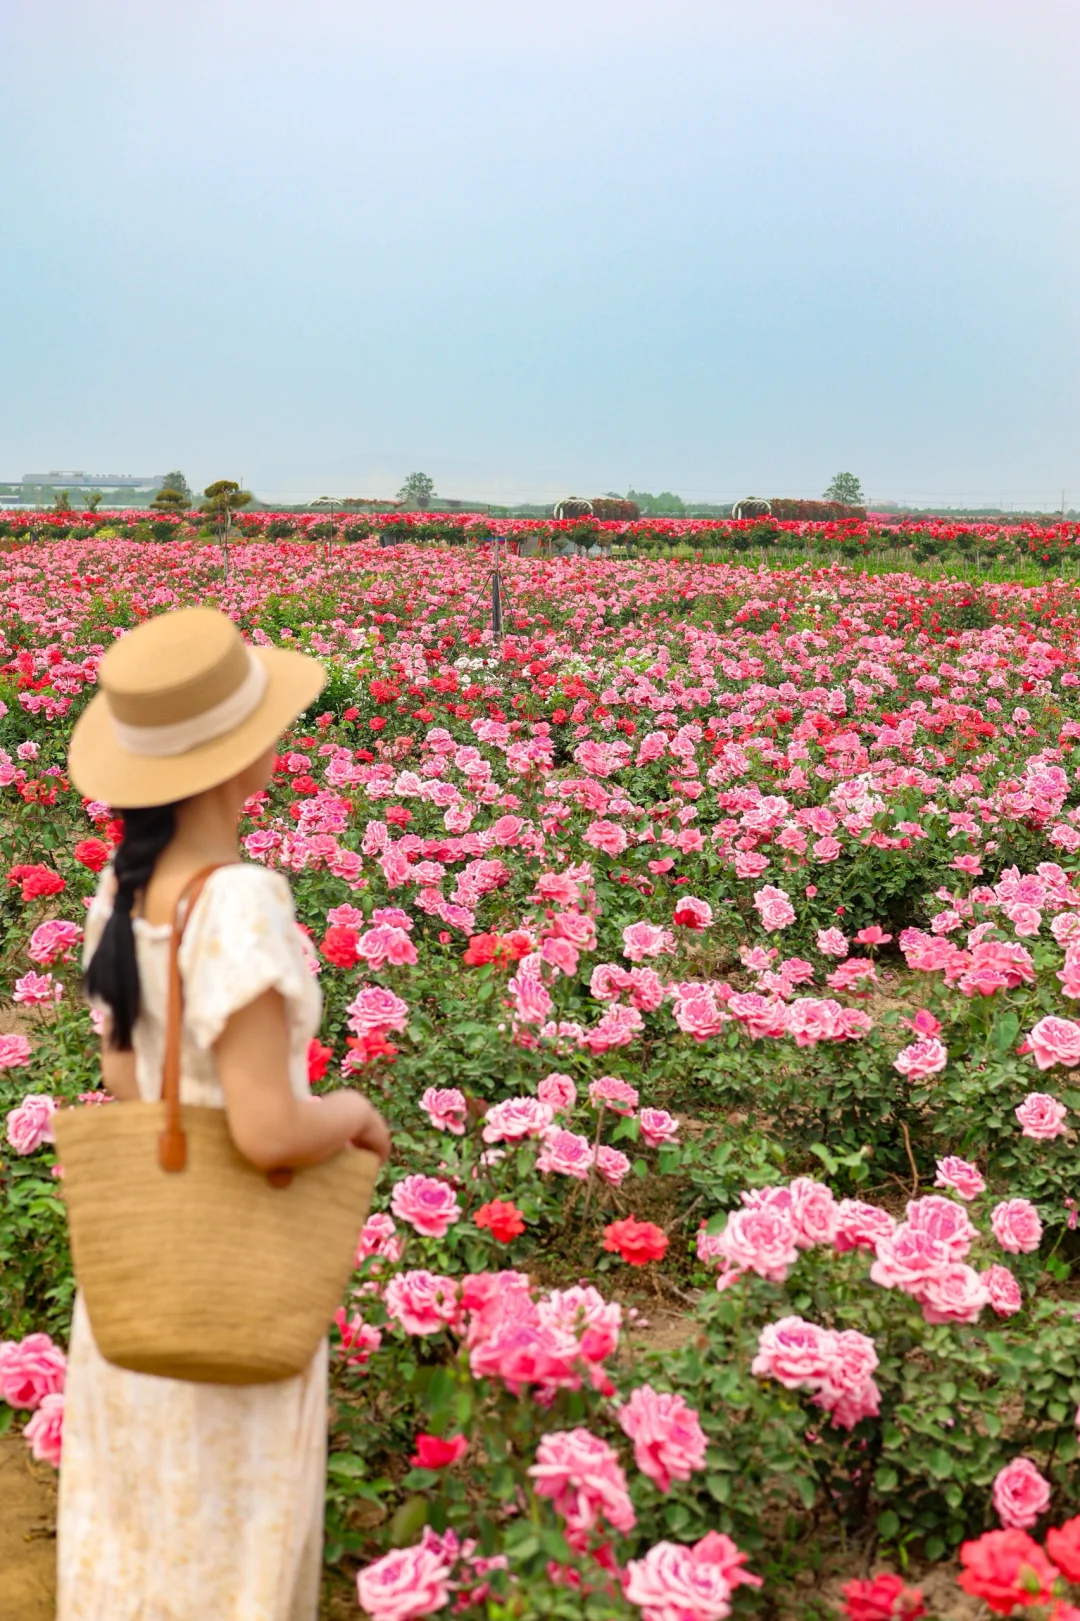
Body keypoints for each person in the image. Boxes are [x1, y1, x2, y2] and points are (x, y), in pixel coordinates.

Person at [60, 605, 390, 1621]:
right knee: (228, 1551)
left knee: (138, 1535)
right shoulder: (240, 900)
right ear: (241, 760)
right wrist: (352, 1111)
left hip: (136, 1291)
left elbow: (126, 1083)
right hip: (232, 1269)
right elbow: (263, 1131)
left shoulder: (122, 893)